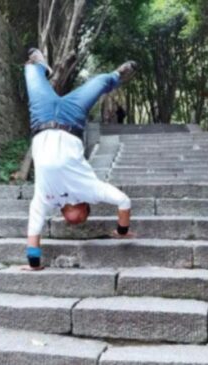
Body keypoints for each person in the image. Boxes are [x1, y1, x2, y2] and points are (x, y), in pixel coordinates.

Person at [24, 48, 139, 271]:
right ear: (86, 208)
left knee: (29, 71)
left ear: (62, 213)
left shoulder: (45, 200)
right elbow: (124, 201)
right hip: (71, 118)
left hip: (41, 117)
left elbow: (34, 229)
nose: (74, 221)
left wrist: (34, 263)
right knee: (99, 82)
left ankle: (40, 65)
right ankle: (117, 75)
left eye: (70, 222)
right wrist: (121, 231)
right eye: (82, 220)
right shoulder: (91, 190)